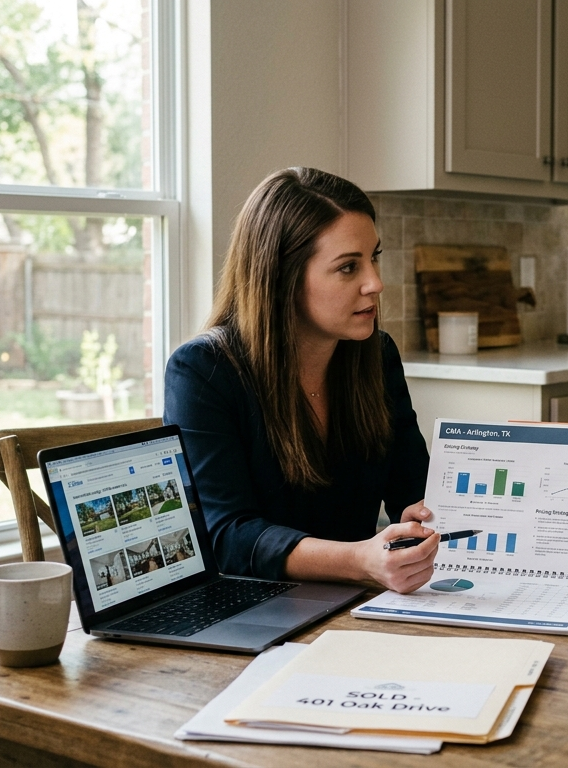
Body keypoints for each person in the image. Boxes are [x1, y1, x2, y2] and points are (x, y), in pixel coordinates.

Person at [164, 167, 438, 593]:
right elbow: (227, 536)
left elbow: (414, 491)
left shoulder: (375, 354)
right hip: (256, 605)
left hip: (356, 600)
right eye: (348, 267)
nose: (375, 283)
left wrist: (426, 516)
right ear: (283, 278)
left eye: (374, 257)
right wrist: (360, 561)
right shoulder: (203, 370)